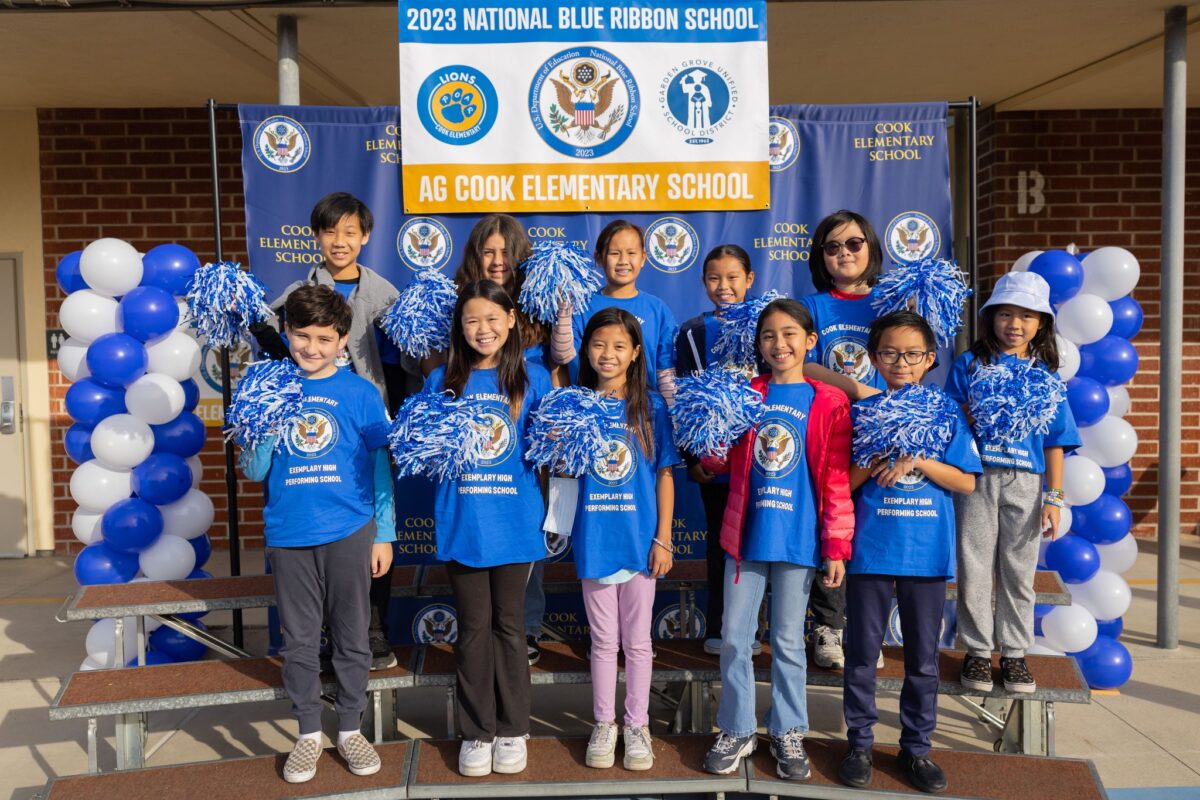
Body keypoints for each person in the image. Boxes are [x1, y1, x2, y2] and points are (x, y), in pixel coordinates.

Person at [251, 191, 414, 672]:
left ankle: (373, 628)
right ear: (317, 236)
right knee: (319, 533)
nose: (339, 241)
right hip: (312, 426)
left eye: (349, 232)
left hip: (364, 417)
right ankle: (322, 635)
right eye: (329, 231)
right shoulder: (300, 289)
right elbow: (276, 338)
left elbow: (410, 351)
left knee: (371, 525)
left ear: (365, 237)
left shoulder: (383, 291)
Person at [240, 285, 396, 784]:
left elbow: (379, 467)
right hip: (289, 533)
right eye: (301, 335)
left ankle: (350, 728)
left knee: (352, 636)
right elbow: (254, 470)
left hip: (351, 530)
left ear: (343, 339)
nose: (311, 347)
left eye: (324, 338)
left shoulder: (361, 393)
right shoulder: (267, 383)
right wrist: (262, 423)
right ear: (285, 332)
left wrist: (384, 533)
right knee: (300, 640)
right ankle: (308, 732)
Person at [702, 298, 853, 781]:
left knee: (789, 643)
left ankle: (788, 730)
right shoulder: (745, 394)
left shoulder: (828, 401)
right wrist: (707, 441)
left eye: (790, 334)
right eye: (769, 335)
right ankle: (737, 727)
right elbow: (720, 462)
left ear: (811, 341)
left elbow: (834, 480)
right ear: (759, 345)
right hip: (746, 542)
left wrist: (835, 545)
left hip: (799, 542)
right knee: (735, 640)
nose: (779, 343)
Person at [838, 310, 981, 794]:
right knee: (860, 654)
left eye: (912, 354)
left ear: (929, 359)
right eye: (890, 353)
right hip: (871, 552)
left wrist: (916, 458)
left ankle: (916, 749)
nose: (901, 362)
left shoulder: (945, 413)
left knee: (923, 659)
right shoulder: (862, 412)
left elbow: (965, 480)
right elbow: (843, 484)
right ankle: (859, 742)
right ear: (874, 358)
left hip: (926, 553)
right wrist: (878, 457)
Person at [426, 280, 551, 777]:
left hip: (516, 524)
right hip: (464, 523)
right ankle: (478, 732)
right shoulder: (441, 381)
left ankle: (514, 727)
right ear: (460, 325)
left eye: (493, 319)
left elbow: (549, 451)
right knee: (473, 629)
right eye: (473, 320)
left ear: (512, 320)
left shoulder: (534, 378)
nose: (484, 329)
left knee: (510, 628)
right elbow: (426, 452)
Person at [945, 271, 1080, 694]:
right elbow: (949, 419)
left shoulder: (1046, 374)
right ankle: (978, 653)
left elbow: (1056, 442)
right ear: (990, 318)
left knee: (1019, 571)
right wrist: (967, 413)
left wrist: (1054, 498)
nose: (1014, 324)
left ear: (1041, 323)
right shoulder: (970, 363)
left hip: (1026, 482)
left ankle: (1017, 654)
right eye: (1005, 313)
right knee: (974, 566)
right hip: (977, 480)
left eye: (1026, 315)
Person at [448, 214, 560, 665]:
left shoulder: (538, 305)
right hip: (478, 435)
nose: (497, 261)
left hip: (527, 425)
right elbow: (444, 367)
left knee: (524, 523)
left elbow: (561, 360)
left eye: (506, 252)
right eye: (488, 251)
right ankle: (485, 631)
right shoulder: (461, 304)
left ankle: (526, 628)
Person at [571, 308, 680, 771]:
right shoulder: (575, 404)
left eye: (619, 346)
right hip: (594, 538)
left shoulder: (652, 407)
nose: (608, 354)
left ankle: (637, 725)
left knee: (637, 643)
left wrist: (664, 538)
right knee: (601, 642)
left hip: (640, 542)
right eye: (599, 344)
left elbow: (665, 476)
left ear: (637, 352)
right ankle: (604, 724)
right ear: (586, 349)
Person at [800, 210, 887, 670]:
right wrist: (859, 390)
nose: (844, 253)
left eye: (854, 243)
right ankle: (828, 628)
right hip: (831, 430)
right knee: (831, 527)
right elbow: (803, 365)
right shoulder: (813, 306)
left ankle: (870, 629)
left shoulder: (890, 303)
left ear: (871, 247)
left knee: (873, 528)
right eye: (832, 247)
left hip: (881, 433)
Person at [674, 244, 759, 656]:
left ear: (750, 280)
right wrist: (693, 457)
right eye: (713, 278)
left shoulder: (767, 325)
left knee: (763, 542)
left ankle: (757, 630)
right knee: (720, 543)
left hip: (765, 460)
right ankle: (720, 624)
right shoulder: (693, 331)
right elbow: (685, 400)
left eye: (732, 278)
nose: (723, 287)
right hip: (716, 463)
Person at [553, 219, 678, 404]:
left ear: (643, 258)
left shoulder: (657, 309)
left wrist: (672, 413)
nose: (623, 261)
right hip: (588, 409)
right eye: (614, 253)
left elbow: (666, 372)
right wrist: (563, 311)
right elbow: (562, 355)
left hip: (641, 411)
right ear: (599, 257)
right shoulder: (580, 305)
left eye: (631, 253)